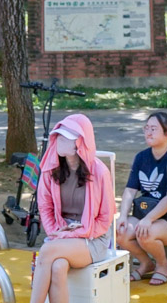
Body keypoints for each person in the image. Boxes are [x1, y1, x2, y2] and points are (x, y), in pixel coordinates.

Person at [31, 113, 115, 303]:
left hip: (93, 237)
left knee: (46, 252)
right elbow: (45, 207)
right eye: (58, 136)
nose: (59, 141)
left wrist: (73, 234)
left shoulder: (99, 171)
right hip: (62, 233)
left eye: (65, 137)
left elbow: (105, 218)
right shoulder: (50, 168)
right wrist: (55, 232)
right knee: (58, 266)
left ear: (79, 143)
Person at [117, 112, 167, 286]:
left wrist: (149, 219)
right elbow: (129, 190)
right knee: (121, 232)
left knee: (146, 233)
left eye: (154, 129)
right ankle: (146, 264)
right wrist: (122, 215)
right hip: (145, 212)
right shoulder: (141, 157)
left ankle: (163, 266)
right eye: (146, 128)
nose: (148, 133)